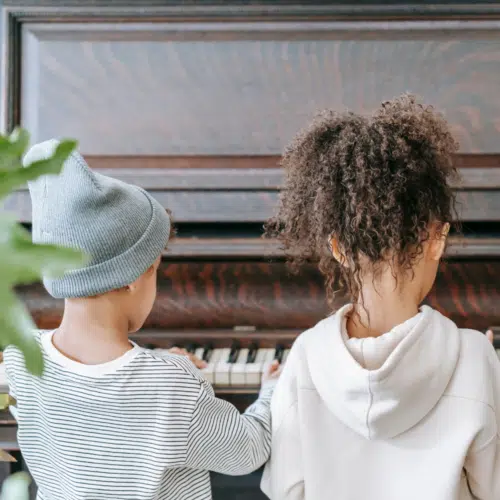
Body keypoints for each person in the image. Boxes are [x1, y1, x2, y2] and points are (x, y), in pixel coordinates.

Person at [4, 139, 280, 500]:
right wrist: (272, 392)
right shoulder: (173, 385)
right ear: (135, 277)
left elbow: (97, 397)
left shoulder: (21, 360)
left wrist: (160, 367)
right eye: (156, 271)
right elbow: (248, 452)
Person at [260, 95, 500, 500]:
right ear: (437, 239)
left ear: (337, 247)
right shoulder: (474, 356)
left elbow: (288, 489)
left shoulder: (305, 355)